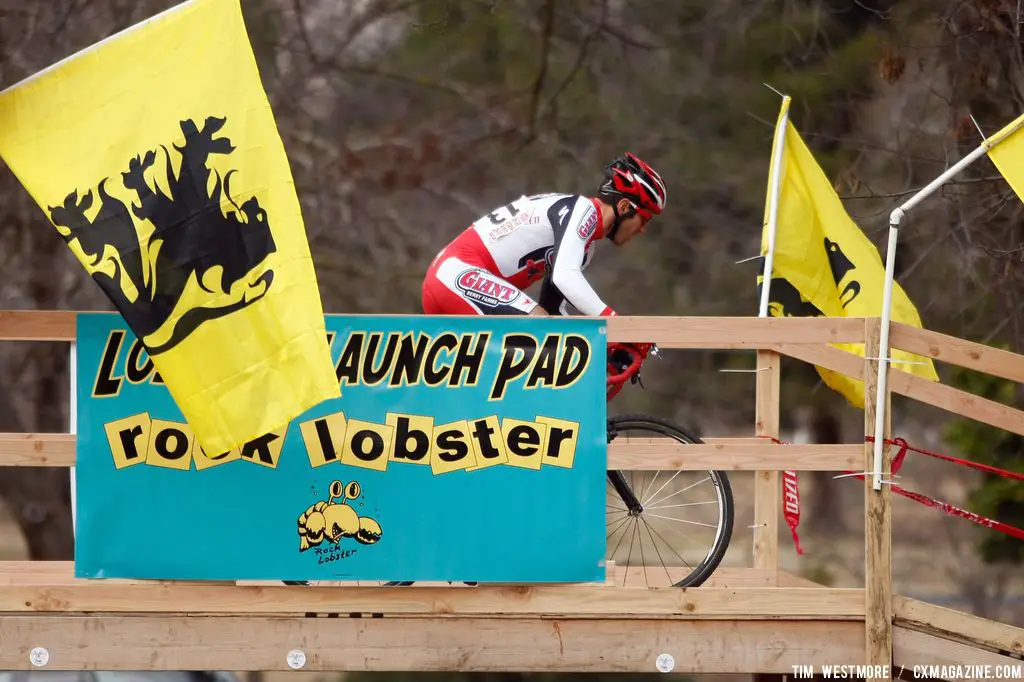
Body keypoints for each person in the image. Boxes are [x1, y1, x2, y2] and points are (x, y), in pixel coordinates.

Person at [420, 151, 665, 371]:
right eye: (645, 219)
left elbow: (554, 310)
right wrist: (617, 326)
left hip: (450, 280)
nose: (642, 230)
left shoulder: (584, 246)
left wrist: (602, 349)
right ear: (624, 206)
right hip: (455, 275)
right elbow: (565, 276)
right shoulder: (582, 211)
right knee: (539, 330)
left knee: (550, 348)